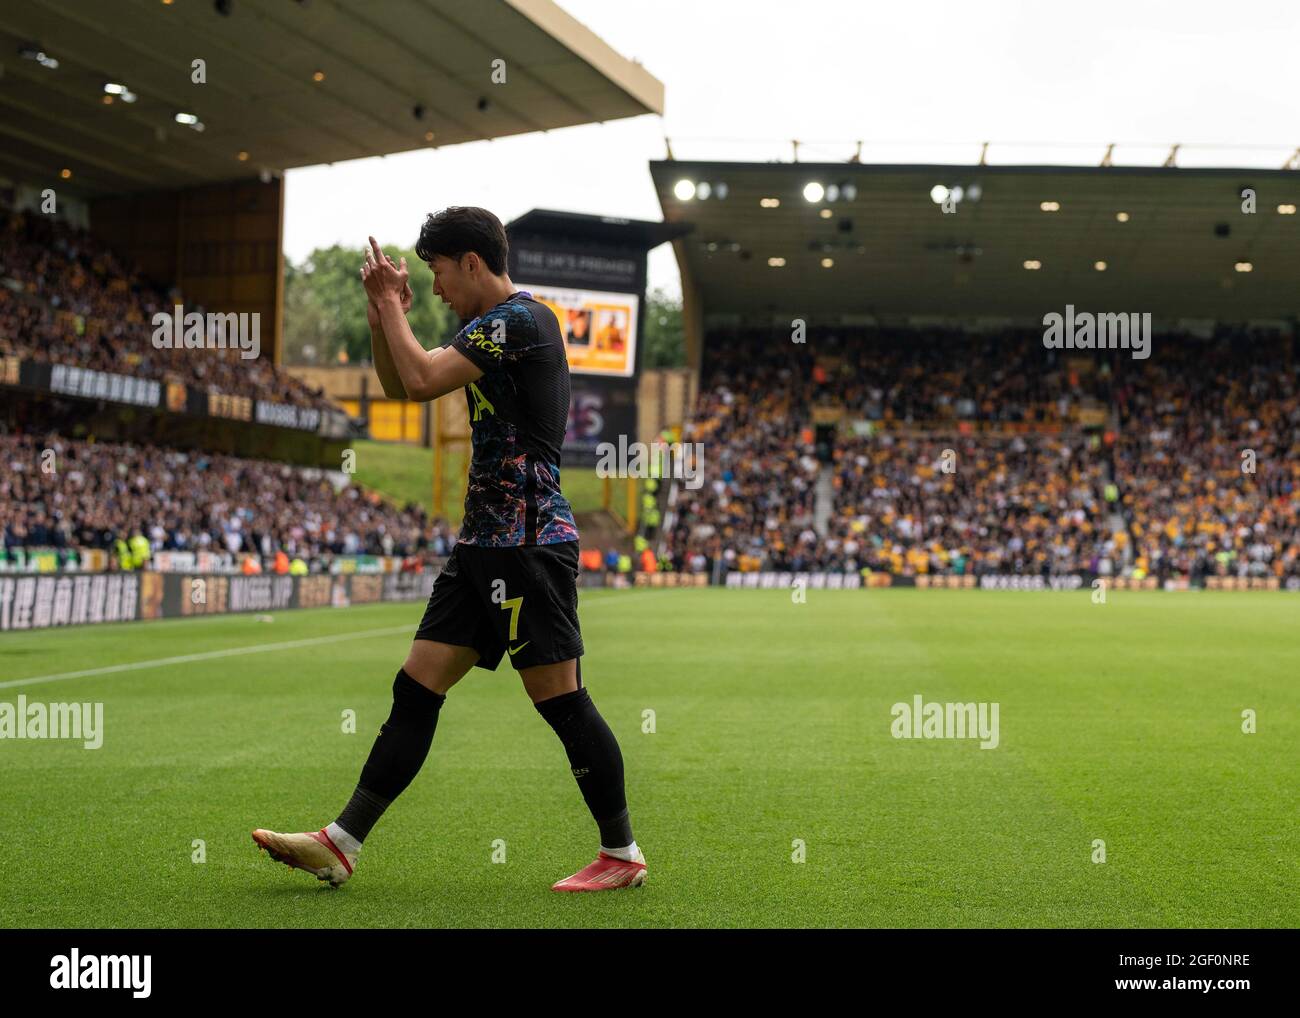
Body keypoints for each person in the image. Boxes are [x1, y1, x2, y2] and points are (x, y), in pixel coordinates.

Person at [252, 207, 644, 892]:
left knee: (562, 701)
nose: (434, 290)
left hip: (526, 542)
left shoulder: (523, 320)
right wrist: (382, 319)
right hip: (483, 549)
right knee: (416, 687)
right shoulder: (487, 329)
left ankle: (622, 854)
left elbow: (426, 379)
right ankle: (340, 843)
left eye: (436, 273)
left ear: (470, 262)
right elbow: (402, 384)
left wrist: (387, 306)